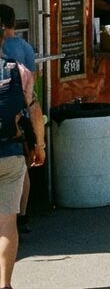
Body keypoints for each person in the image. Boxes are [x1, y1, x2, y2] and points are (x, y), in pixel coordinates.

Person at [0, 47, 44, 289]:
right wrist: (40, 145)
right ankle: (5, 284)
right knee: (7, 224)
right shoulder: (18, 69)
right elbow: (35, 111)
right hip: (10, 155)